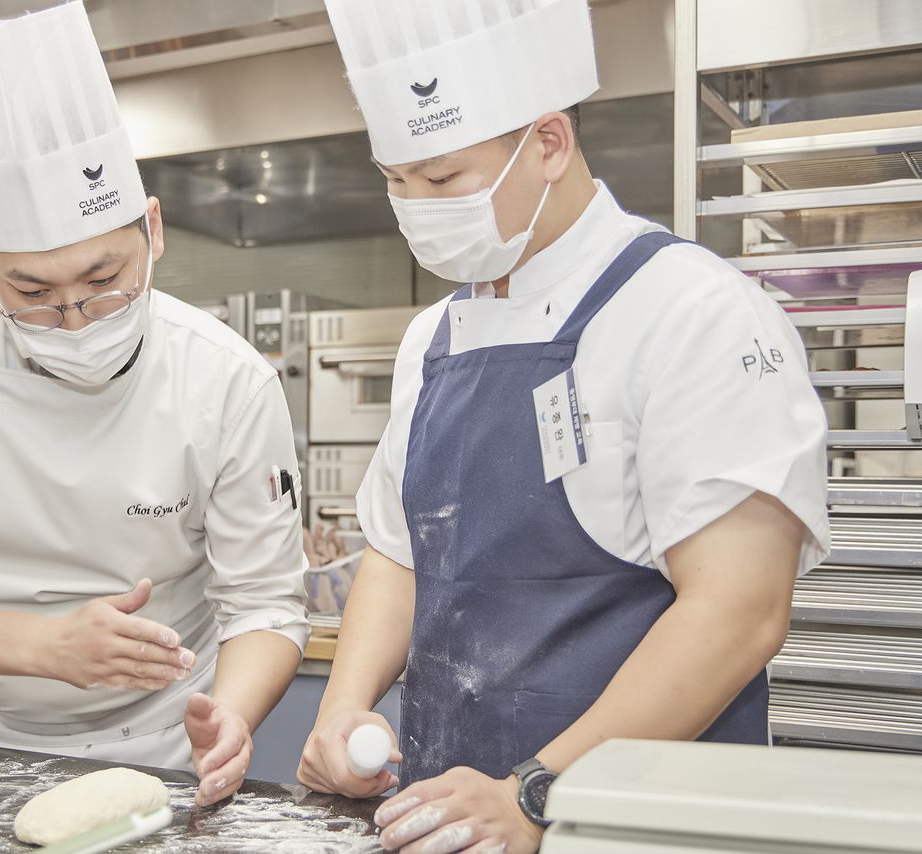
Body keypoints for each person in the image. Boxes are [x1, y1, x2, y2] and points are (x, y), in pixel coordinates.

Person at [298, 0, 830, 849]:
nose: (415, 207)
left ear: (548, 142)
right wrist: (341, 709)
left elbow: (740, 608)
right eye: (395, 180)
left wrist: (540, 793)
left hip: (633, 821)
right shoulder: (430, 338)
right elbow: (400, 556)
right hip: (445, 818)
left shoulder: (692, 310)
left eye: (442, 181)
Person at [0, 2, 308, 807]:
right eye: (32, 293)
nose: (74, 320)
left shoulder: (226, 377)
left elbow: (263, 600)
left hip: (153, 747)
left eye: (103, 282)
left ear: (152, 231)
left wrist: (230, 715)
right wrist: (46, 647)